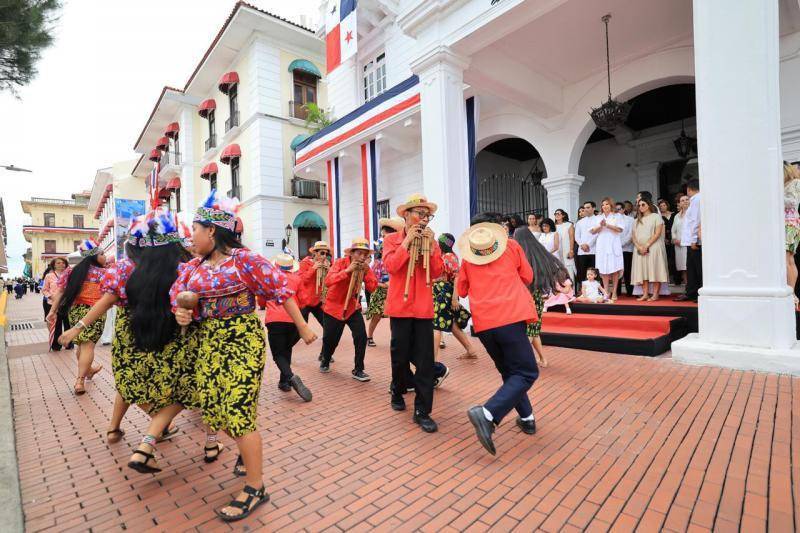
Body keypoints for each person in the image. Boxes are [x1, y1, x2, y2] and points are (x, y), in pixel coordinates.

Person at [139, 191, 315, 523]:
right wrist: (181, 314)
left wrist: (303, 326)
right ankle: (246, 458)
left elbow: (281, 289)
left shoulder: (244, 260)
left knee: (236, 409)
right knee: (216, 407)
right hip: (207, 343)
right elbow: (179, 298)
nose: (191, 237)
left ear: (212, 232)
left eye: (195, 230)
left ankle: (255, 485)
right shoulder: (192, 268)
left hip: (242, 341)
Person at [59, 212, 188, 446]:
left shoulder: (123, 268)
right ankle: (159, 425)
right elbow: (106, 300)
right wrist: (77, 328)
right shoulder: (175, 268)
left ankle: (114, 428)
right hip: (160, 331)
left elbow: (106, 300)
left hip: (130, 331)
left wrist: (77, 327)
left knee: (129, 381)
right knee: (154, 383)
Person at [459, 218, 540, 455]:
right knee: (526, 372)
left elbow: (462, 289)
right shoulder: (512, 247)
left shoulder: (467, 259)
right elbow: (528, 276)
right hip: (510, 317)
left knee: (510, 373)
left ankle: (527, 417)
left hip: (484, 324)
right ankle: (488, 413)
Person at [383, 193, 444, 433]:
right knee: (399, 356)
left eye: (427, 215)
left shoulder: (433, 241)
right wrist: (407, 241)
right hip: (400, 306)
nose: (424, 219)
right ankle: (397, 390)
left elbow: (437, 271)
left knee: (425, 361)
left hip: (423, 309)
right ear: (406, 215)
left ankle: (422, 410)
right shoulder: (391, 240)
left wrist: (430, 249)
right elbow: (391, 267)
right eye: (419, 213)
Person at [46, 239, 106, 395]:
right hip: (95, 312)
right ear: (94, 256)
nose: (105, 256)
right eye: (102, 253)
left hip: (75, 311)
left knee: (81, 345)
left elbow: (60, 292)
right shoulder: (102, 273)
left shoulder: (71, 271)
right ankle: (80, 380)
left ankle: (89, 370)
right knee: (87, 345)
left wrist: (52, 311)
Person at [319, 237, 378, 381]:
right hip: (333, 307)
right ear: (351, 253)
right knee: (330, 339)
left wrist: (366, 274)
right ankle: (325, 359)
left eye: (365, 254)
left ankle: (358, 369)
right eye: (359, 253)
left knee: (361, 337)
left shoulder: (365, 267)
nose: (362, 257)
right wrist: (347, 271)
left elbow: (372, 287)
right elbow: (328, 281)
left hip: (352, 307)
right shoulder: (340, 263)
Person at [513, 225, 564, 368]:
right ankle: (542, 359)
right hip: (536, 295)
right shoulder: (538, 252)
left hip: (525, 296)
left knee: (530, 330)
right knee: (533, 329)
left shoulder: (520, 254)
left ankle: (520, 360)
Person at [265, 254, 313, 402]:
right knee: (287, 349)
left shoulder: (270, 279)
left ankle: (291, 377)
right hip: (293, 319)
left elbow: (262, 299)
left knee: (278, 354)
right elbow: (305, 300)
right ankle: (284, 382)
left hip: (274, 319)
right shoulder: (297, 279)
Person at [433, 232, 477, 362]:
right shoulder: (446, 256)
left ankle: (432, 360)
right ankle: (471, 350)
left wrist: (454, 298)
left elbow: (456, 277)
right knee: (452, 324)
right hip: (444, 294)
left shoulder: (449, 257)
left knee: (436, 325)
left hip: (444, 295)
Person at [366, 218, 403, 346]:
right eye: (382, 236)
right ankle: (369, 336)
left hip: (394, 291)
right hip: (381, 292)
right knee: (376, 316)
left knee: (395, 318)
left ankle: (396, 339)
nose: (382, 238)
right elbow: (372, 280)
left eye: (384, 235)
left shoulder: (400, 252)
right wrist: (383, 285)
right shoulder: (377, 263)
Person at [631, 199, 669, 301]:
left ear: (649, 205)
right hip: (640, 249)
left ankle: (655, 294)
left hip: (654, 247)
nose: (641, 207)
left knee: (655, 270)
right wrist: (639, 247)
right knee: (643, 271)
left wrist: (647, 245)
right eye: (639, 205)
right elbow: (633, 237)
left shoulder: (656, 217)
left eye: (643, 204)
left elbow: (657, 233)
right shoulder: (636, 221)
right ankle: (645, 294)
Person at [591, 197, 624, 301]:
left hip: (613, 244)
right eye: (603, 204)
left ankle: (614, 292)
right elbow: (592, 231)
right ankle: (606, 292)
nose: (605, 206)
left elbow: (620, 229)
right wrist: (600, 226)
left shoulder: (617, 216)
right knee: (603, 270)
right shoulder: (598, 217)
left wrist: (607, 225)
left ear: (611, 205)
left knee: (614, 270)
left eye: (607, 204)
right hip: (602, 245)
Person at [675, 179, 702, 302]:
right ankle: (691, 292)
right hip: (690, 241)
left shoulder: (697, 199)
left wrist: (694, 240)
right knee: (690, 268)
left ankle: (699, 293)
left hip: (694, 241)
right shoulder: (695, 200)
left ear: (689, 189)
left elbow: (696, 220)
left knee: (697, 268)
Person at [42, 257, 72, 351]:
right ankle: (56, 345)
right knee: (57, 325)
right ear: (54, 265)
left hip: (66, 304)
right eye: (58, 263)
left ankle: (68, 344)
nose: (61, 264)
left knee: (68, 324)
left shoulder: (69, 274)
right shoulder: (49, 276)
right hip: (52, 304)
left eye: (63, 263)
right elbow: (45, 290)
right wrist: (52, 297)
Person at [784, 164, 800, 307]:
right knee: (787, 260)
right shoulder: (785, 185)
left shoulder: (795, 183)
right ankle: (790, 293)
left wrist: (776, 197)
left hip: (790, 225)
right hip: (783, 225)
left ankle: (792, 293)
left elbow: (793, 202)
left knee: (788, 259)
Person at [574, 201, 598, 283]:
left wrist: (588, 244)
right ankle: (583, 291)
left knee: (594, 272)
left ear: (593, 208)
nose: (586, 209)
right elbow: (576, 236)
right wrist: (582, 245)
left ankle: (595, 291)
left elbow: (597, 234)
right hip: (582, 251)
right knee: (582, 273)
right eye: (585, 208)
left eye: (588, 207)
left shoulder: (598, 219)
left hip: (594, 250)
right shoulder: (580, 222)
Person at [671, 194, 689, 287]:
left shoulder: (691, 213)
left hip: (688, 244)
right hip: (678, 245)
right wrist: (674, 239)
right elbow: (673, 230)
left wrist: (683, 240)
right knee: (683, 268)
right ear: (679, 203)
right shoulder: (677, 216)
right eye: (682, 200)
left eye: (687, 199)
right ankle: (687, 288)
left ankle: (693, 288)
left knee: (689, 267)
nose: (685, 201)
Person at [553, 209, 576, 282]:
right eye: (555, 214)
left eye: (559, 214)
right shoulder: (553, 226)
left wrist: (571, 250)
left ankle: (571, 289)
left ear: (563, 215)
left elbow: (571, 238)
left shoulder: (569, 225)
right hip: (557, 250)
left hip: (567, 249)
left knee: (568, 268)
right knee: (558, 269)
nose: (557, 215)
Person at [658, 198, 677, 284]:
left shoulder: (674, 214)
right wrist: (663, 238)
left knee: (675, 258)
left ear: (667, 206)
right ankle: (668, 277)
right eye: (661, 206)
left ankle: (677, 278)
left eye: (664, 205)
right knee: (666, 259)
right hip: (663, 239)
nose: (662, 207)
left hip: (674, 238)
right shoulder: (658, 216)